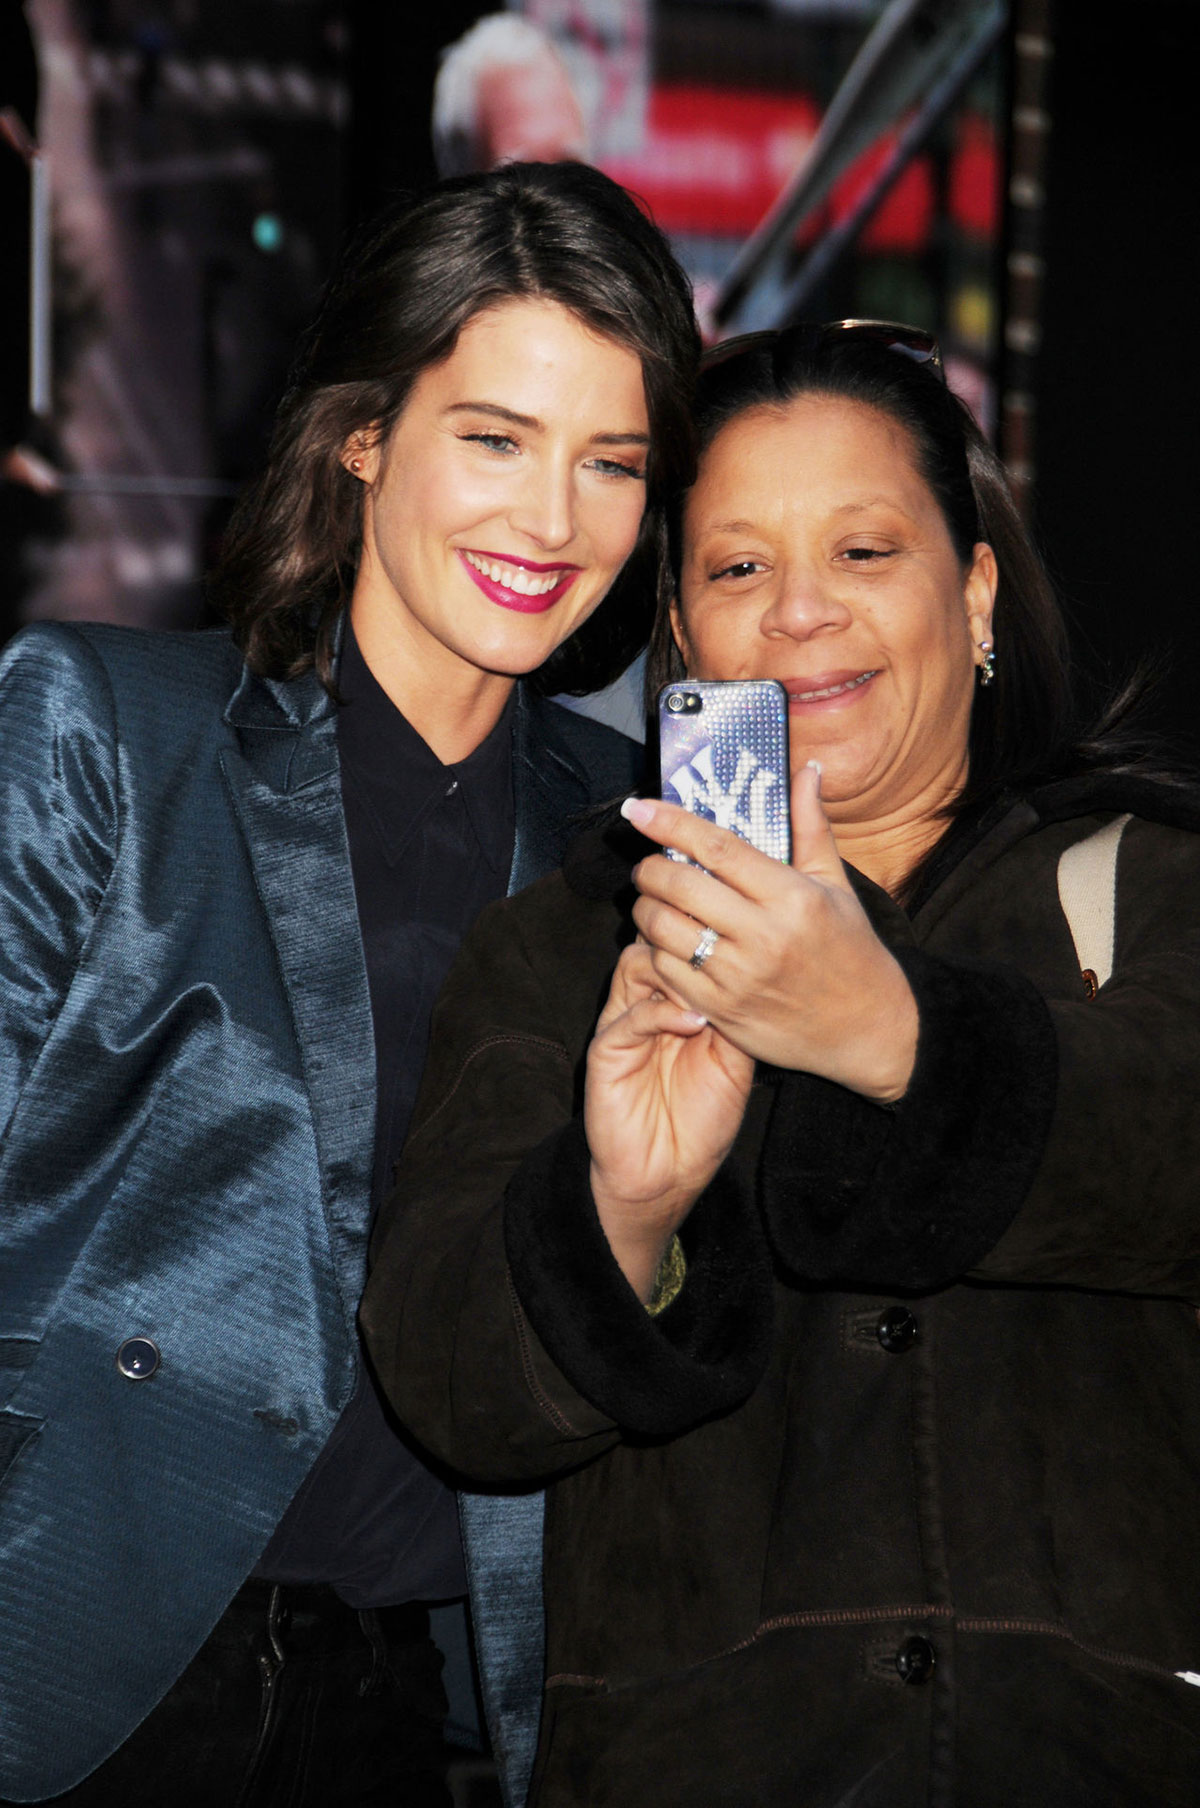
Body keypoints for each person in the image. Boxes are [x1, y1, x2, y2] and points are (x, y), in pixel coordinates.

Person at [364, 321, 1200, 1806]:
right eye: (738, 568)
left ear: (979, 590)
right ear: (680, 635)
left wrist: (888, 1037)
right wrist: (621, 1209)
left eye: (866, 551)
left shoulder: (1151, 884)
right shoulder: (564, 947)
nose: (801, 613)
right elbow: (451, 1389)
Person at [0, 159, 698, 1805]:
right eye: (496, 438)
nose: (552, 521)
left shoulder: (637, 851)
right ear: (365, 433)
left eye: (613, 461)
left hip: (419, 1706)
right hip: (75, 1660)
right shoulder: (106, 728)